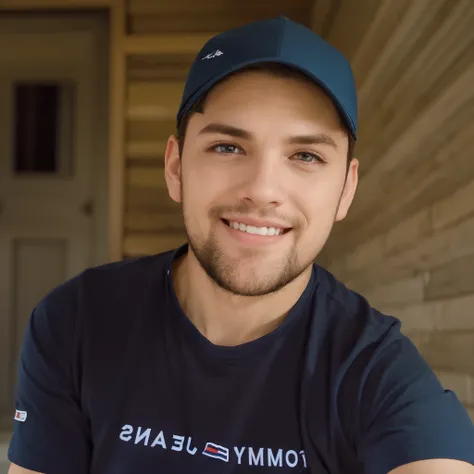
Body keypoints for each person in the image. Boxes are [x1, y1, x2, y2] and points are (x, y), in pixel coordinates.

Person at [7, 16, 474, 474]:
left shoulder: (374, 372)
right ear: (175, 167)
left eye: (306, 156)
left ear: (346, 190)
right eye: (228, 147)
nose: (263, 189)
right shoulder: (76, 322)